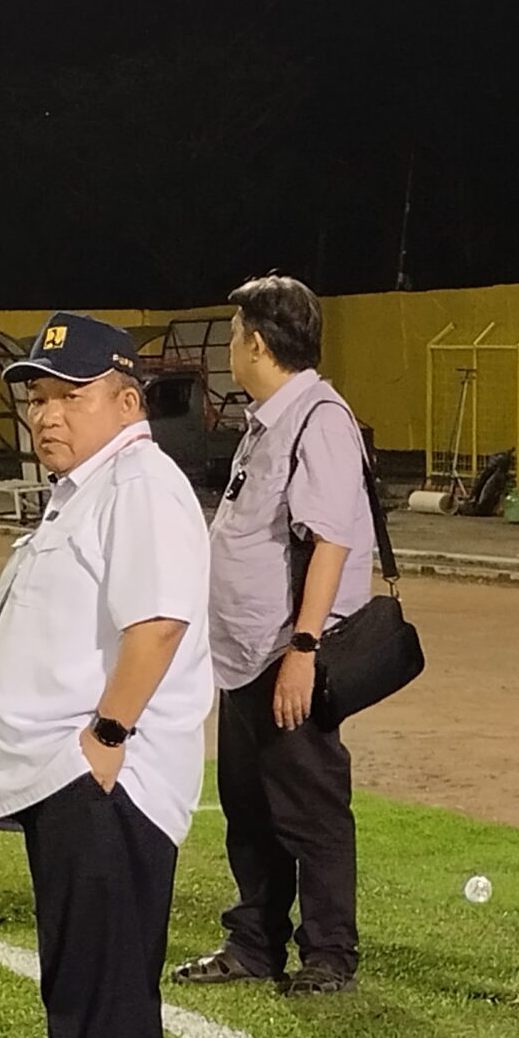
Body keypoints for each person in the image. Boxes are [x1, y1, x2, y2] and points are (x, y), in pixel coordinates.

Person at [0, 313, 214, 1038]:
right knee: (113, 976)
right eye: (38, 397)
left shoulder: (139, 484)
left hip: (99, 774)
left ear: (126, 397)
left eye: (68, 395)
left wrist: (104, 737)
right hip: (78, 770)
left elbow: (157, 625)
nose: (46, 414)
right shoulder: (96, 486)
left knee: (92, 982)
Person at [172, 275, 376, 996]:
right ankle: (252, 940)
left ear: (257, 342)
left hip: (285, 654)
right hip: (244, 656)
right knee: (250, 808)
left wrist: (303, 648)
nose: (231, 345)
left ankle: (328, 955)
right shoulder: (273, 417)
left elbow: (330, 541)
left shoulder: (318, 417)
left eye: (234, 333)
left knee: (311, 809)